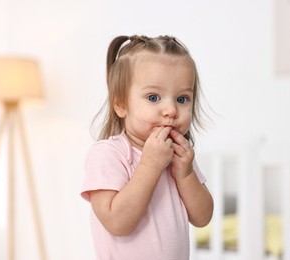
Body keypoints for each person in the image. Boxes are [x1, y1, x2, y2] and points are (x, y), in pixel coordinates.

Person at [81, 35, 214, 260]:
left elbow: (203, 218)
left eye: (182, 99)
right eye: (153, 97)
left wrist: (186, 174)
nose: (171, 109)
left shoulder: (179, 157)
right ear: (120, 104)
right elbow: (117, 222)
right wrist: (150, 165)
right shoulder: (108, 154)